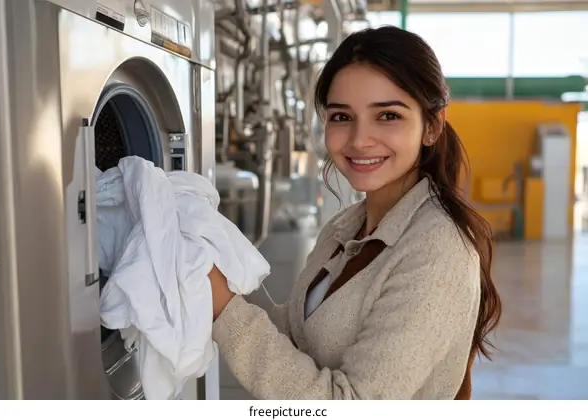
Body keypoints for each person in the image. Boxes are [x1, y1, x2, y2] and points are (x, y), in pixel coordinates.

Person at [207, 25, 502, 400]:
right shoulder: (344, 228)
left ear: (432, 126)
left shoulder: (437, 250)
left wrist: (226, 309)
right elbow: (298, 337)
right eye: (342, 117)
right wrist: (213, 274)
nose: (360, 140)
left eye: (388, 116)